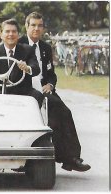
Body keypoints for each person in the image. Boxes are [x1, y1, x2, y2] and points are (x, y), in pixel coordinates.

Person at [18, 12, 91, 172]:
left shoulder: (45, 47)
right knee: (50, 118)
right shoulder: (19, 44)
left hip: (44, 89)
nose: (36, 29)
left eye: (40, 26)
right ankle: (38, 158)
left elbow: (51, 73)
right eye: (33, 25)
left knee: (65, 112)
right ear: (26, 26)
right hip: (25, 89)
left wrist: (50, 84)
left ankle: (72, 158)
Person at [0, 19, 43, 108]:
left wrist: (27, 68)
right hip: (0, 91)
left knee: (37, 96)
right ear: (1, 34)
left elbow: (36, 69)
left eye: (14, 31)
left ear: (18, 35)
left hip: (24, 92)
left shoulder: (28, 50)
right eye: (7, 31)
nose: (11, 34)